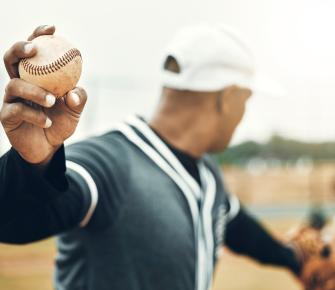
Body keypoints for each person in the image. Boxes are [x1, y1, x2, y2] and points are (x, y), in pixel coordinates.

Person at [0, 24, 301, 290]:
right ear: (228, 98)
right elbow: (17, 221)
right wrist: (32, 164)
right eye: (246, 101)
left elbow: (236, 224)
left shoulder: (207, 172)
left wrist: (295, 260)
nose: (244, 113)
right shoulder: (108, 161)